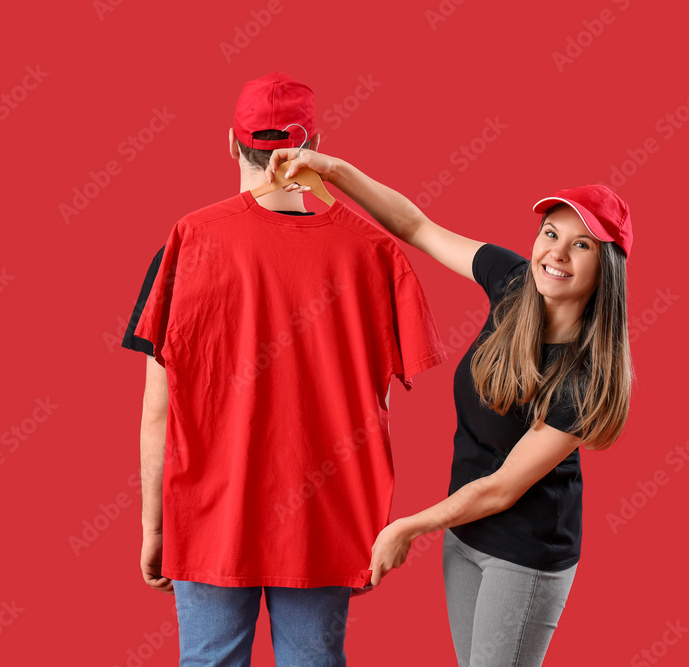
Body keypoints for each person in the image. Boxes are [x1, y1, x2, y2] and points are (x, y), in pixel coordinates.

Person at [122, 72, 447, 667]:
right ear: (316, 147)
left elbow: (157, 410)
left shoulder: (187, 241)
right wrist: (371, 522)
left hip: (211, 519)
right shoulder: (373, 253)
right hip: (324, 524)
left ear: (230, 144)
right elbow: (382, 402)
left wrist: (154, 530)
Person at [264, 148, 634, 666]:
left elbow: (502, 488)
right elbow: (415, 226)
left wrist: (406, 527)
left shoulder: (584, 379)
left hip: (525, 554)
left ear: (606, 268)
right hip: (463, 532)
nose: (557, 255)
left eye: (582, 246)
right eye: (550, 234)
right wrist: (335, 171)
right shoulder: (512, 284)